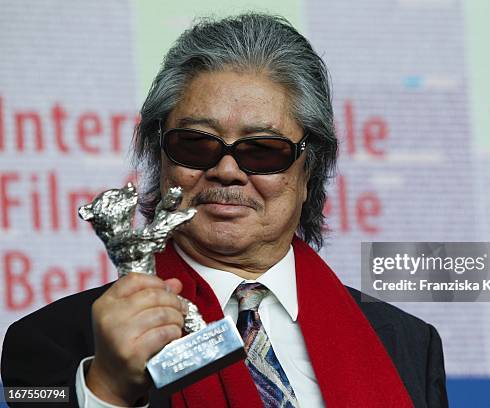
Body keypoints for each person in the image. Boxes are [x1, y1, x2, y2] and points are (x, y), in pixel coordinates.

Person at [1, 13, 448, 408]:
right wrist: (109, 392)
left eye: (263, 150)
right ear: (160, 159)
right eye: (196, 144)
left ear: (310, 170)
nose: (227, 170)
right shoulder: (50, 340)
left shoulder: (406, 343)